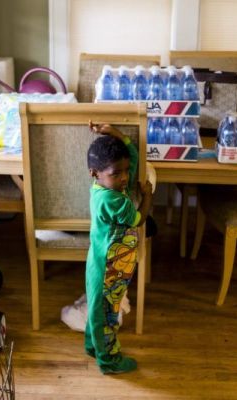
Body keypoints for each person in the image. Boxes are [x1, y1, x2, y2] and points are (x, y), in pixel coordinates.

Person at [84, 121, 153, 374]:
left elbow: (131, 157)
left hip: (101, 260)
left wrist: (115, 133)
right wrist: (147, 197)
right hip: (110, 267)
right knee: (108, 316)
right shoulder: (113, 201)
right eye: (117, 173)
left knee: (97, 309)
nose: (125, 177)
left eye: (125, 172)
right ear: (95, 173)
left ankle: (93, 346)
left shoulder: (104, 186)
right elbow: (138, 219)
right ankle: (109, 361)